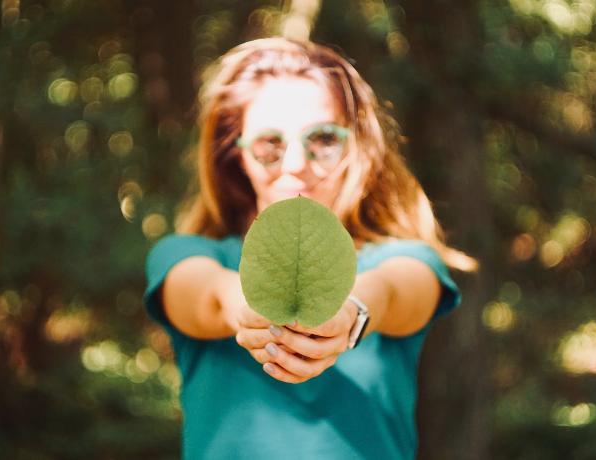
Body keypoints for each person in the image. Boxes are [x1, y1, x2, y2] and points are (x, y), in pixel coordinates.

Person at [144, 37, 476, 460]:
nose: (296, 163)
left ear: (355, 145)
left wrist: (349, 313)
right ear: (237, 155)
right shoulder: (184, 255)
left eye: (322, 138)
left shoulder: (405, 259)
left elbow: (393, 292)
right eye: (270, 143)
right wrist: (248, 307)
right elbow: (205, 295)